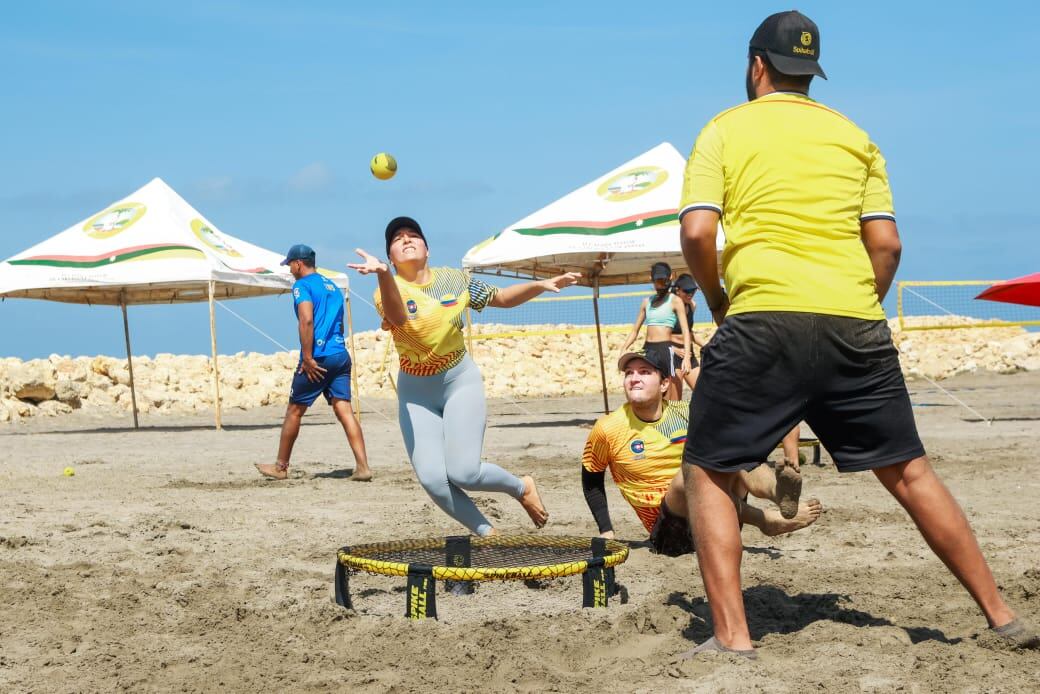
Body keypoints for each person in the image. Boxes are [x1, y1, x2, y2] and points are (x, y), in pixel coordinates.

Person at [677, 10, 1038, 657]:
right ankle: (1002, 616)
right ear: (810, 73)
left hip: (763, 318)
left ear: (756, 65)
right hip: (855, 322)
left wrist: (718, 300)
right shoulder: (855, 137)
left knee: (709, 471)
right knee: (910, 473)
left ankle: (733, 639)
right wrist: (857, 304)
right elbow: (888, 245)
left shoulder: (724, 129)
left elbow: (698, 231)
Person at [348, 216, 581, 536]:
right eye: (397, 239)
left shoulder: (455, 280)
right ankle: (489, 535)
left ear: (427, 249)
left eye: (413, 234)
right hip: (415, 393)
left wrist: (538, 286)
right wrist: (384, 276)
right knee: (432, 479)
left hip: (458, 380)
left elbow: (501, 298)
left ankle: (521, 487)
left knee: (465, 472)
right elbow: (398, 317)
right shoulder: (386, 289)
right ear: (390, 257)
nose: (406, 239)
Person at [582, 349, 821, 556]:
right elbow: (591, 479)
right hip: (670, 534)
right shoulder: (608, 428)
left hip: (719, 519)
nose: (634, 378)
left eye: (644, 372)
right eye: (629, 373)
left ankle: (780, 494)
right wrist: (606, 530)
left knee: (733, 451)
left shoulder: (687, 412)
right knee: (691, 471)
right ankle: (763, 520)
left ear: (664, 384)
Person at [255, 244, 372, 482]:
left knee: (294, 411)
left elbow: (306, 320)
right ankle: (363, 466)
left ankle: (280, 467)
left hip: (318, 357)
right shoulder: (332, 286)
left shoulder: (302, 286)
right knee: (344, 410)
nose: (289, 269)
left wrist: (308, 358)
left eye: (290, 265)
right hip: (340, 354)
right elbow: (339, 322)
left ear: (298, 263)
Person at [618, 262, 691, 400]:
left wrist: (686, 357)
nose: (661, 284)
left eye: (664, 280)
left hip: (665, 349)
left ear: (670, 277)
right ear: (652, 280)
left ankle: (674, 413)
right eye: (658, 280)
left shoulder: (675, 301)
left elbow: (686, 331)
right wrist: (623, 349)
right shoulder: (647, 302)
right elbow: (635, 331)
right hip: (648, 349)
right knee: (649, 391)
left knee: (670, 394)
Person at [668, 274, 707, 394]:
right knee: (675, 400)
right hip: (672, 354)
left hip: (689, 354)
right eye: (687, 291)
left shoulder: (692, 305)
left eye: (693, 290)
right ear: (678, 290)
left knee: (703, 393)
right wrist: (673, 349)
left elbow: (689, 333)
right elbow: (658, 336)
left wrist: (708, 345)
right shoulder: (668, 306)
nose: (690, 294)